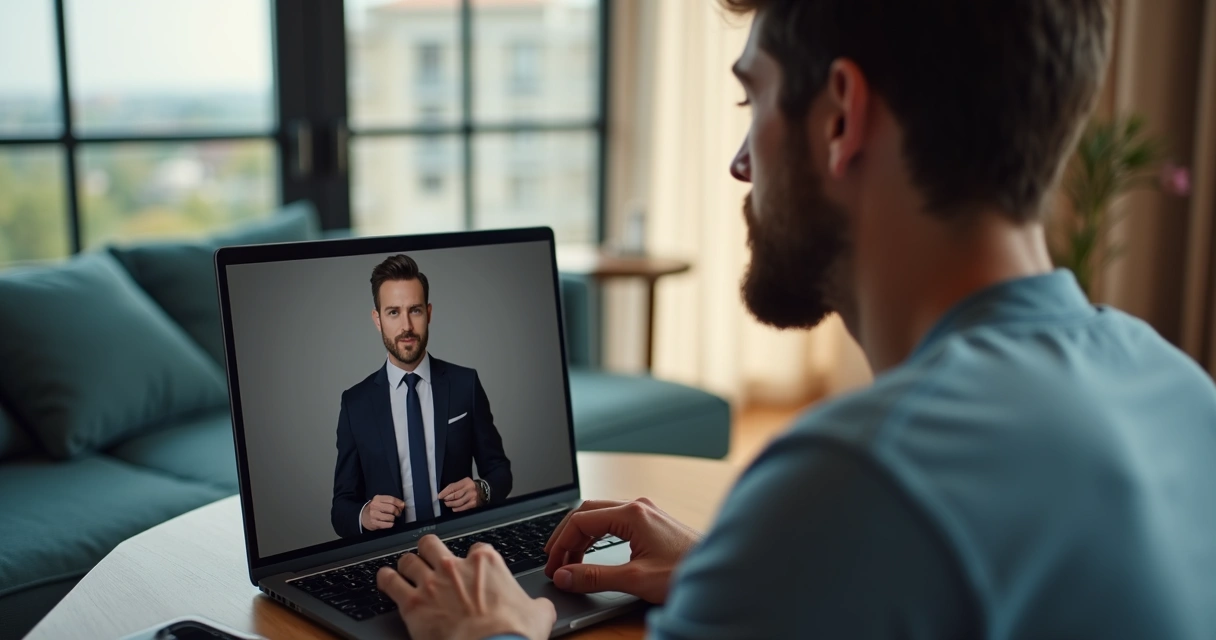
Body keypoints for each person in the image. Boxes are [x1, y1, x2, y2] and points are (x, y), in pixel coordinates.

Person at [374, 0, 1216, 638]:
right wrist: (738, 578)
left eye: (754, 100)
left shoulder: (853, 481)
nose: (740, 163)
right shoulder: (1182, 392)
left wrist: (491, 633)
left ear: (841, 116)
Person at [331, 254, 512, 538]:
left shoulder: (466, 384)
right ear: (377, 319)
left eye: (414, 310)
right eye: (393, 312)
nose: (406, 326)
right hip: (390, 557)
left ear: (428, 313)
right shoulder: (355, 404)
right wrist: (364, 514)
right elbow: (341, 508)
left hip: (460, 545)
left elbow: (500, 472)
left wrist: (482, 490)